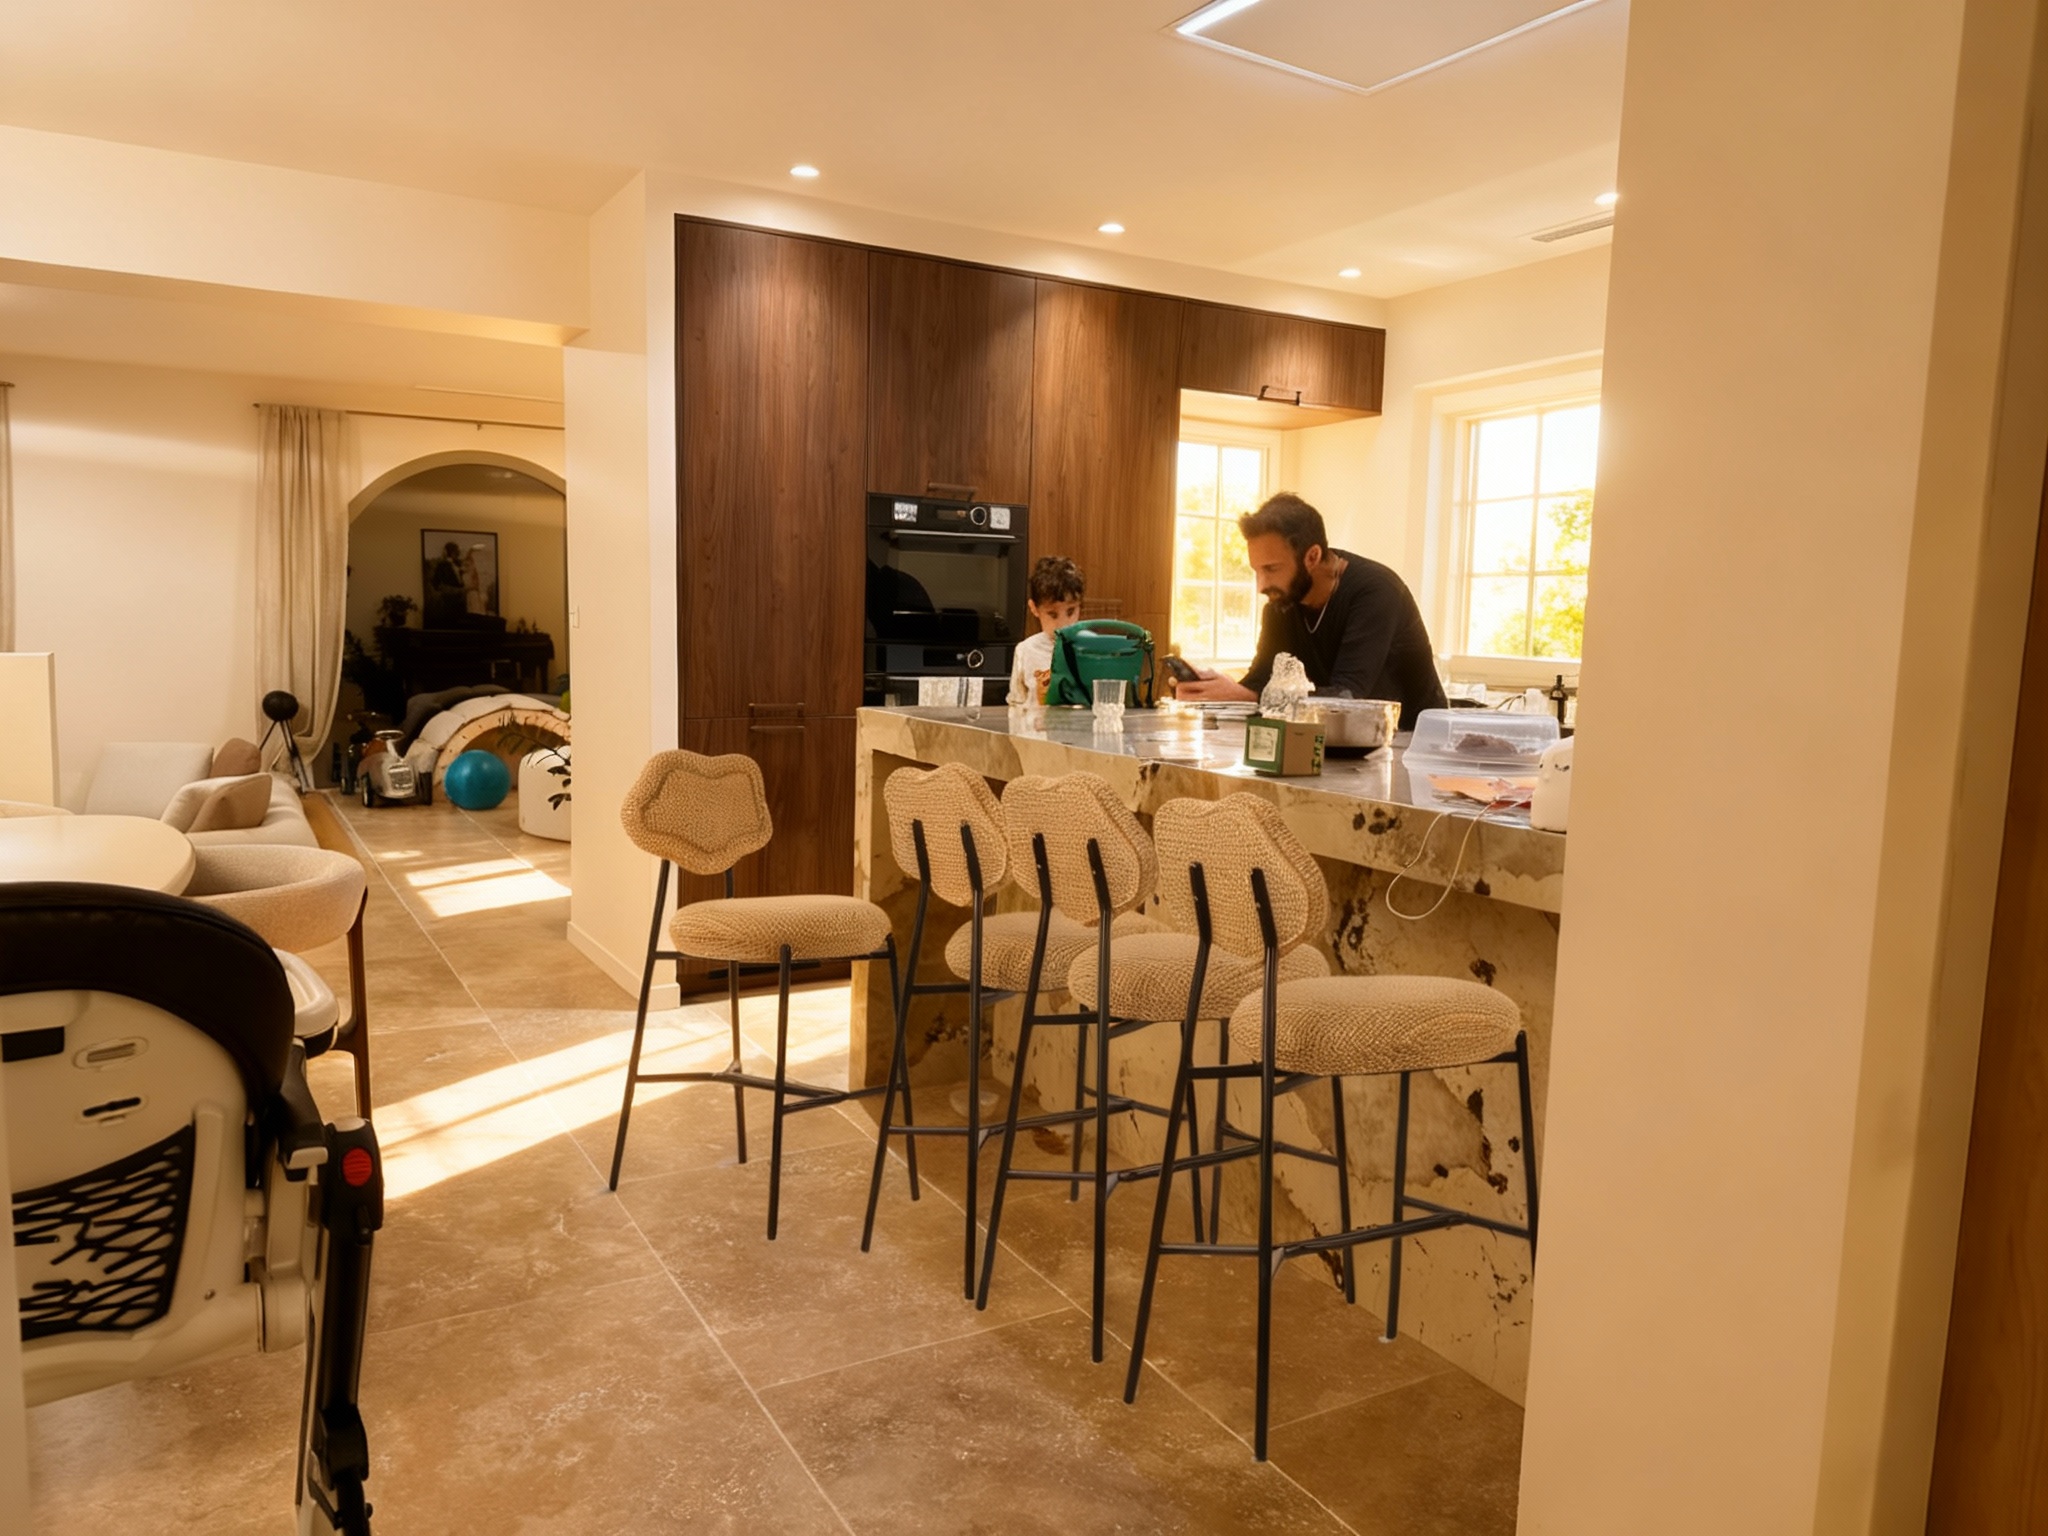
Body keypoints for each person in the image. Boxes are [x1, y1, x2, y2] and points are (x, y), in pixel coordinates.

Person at [1176, 492, 1447, 728]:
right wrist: (1216, 690)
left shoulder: (1376, 592)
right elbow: (1262, 679)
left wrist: (1247, 697)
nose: (1262, 586)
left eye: (1271, 569)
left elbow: (1347, 696)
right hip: (1341, 740)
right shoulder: (1283, 602)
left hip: (1414, 741)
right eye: (1257, 571)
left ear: (1312, 556)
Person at [1008, 556, 1086, 705]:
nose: (1063, 625)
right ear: (1034, 608)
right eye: (1053, 614)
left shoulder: (1091, 649)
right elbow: (1016, 704)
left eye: (1070, 612)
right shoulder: (1025, 651)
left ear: (1080, 605)